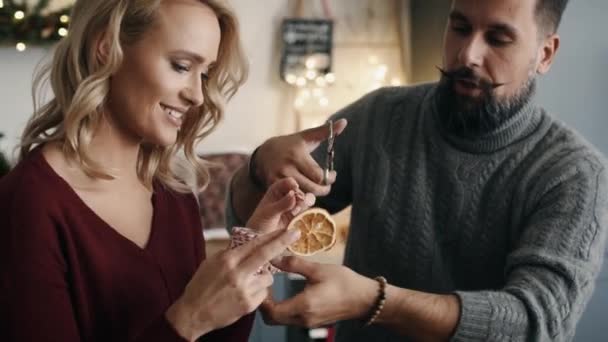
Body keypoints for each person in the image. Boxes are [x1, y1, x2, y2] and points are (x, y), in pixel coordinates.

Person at [228, 0, 608, 341]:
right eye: (459, 27)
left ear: (545, 54)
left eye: (498, 38)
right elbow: (249, 224)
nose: (467, 54)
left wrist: (376, 301)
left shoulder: (574, 173)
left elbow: (537, 324)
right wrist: (260, 167)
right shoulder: (379, 116)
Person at [0, 0, 314, 341]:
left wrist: (249, 252)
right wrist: (187, 320)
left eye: (205, 74)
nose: (197, 95)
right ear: (107, 49)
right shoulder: (28, 203)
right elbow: (190, 325)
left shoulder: (174, 196)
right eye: (181, 66)